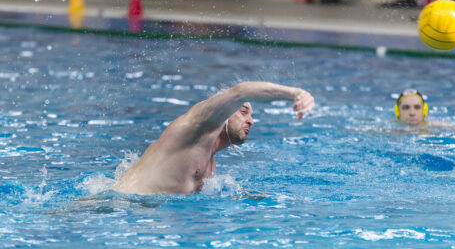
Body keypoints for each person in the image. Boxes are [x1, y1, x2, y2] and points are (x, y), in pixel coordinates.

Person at [112, 81, 315, 195]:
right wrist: (296, 93)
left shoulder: (210, 163)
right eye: (244, 112)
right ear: (223, 113)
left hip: (146, 219)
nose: (251, 121)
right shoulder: (195, 126)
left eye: (252, 115)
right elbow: (240, 91)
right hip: (117, 208)